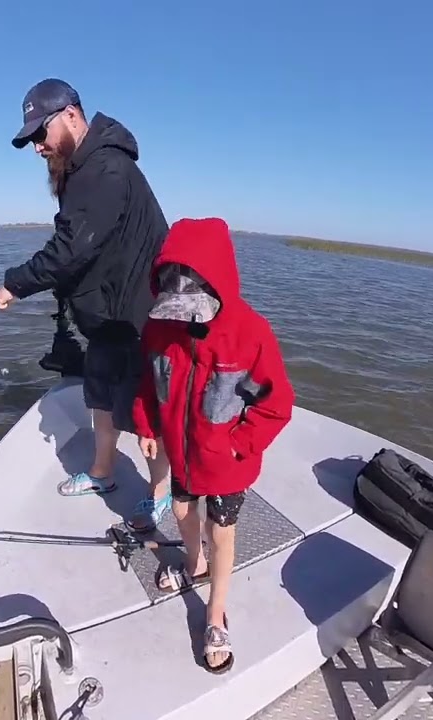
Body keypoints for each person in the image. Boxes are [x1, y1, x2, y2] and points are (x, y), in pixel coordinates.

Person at [0, 78, 173, 530]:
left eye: (41, 133)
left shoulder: (106, 169)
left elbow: (72, 248)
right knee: (101, 398)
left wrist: (15, 285)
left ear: (71, 115)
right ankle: (102, 473)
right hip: (105, 316)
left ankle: (161, 493)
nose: (38, 146)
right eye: (32, 139)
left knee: (146, 413)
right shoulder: (80, 167)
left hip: (138, 317)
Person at [130, 216, 295, 674]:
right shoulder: (159, 329)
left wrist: (240, 445)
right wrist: (146, 426)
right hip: (181, 455)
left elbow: (276, 403)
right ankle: (194, 563)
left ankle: (216, 612)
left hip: (227, 464)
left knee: (221, 530)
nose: (181, 316)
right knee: (182, 511)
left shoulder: (251, 333)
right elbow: (148, 383)